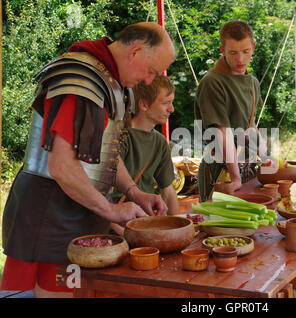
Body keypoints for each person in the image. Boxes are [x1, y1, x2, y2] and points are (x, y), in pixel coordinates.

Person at [1, 22, 175, 297]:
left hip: (76, 214)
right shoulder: (82, 79)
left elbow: (105, 154)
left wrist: (133, 191)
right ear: (135, 51)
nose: (149, 81)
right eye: (151, 70)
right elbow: (61, 166)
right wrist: (110, 210)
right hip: (48, 216)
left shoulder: (112, 82)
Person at [194, 20, 265, 202]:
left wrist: (267, 158)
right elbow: (221, 132)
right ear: (222, 50)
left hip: (247, 167)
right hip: (221, 172)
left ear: (253, 48)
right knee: (219, 227)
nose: (240, 59)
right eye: (233, 53)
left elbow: (252, 126)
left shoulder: (253, 83)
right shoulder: (212, 82)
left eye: (245, 52)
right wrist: (235, 177)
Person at [110, 76, 179, 236]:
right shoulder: (120, 137)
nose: (172, 109)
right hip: (117, 232)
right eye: (165, 103)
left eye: (171, 102)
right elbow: (101, 198)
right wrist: (129, 237)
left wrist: (179, 230)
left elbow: (168, 191)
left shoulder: (160, 142)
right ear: (144, 105)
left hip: (146, 228)